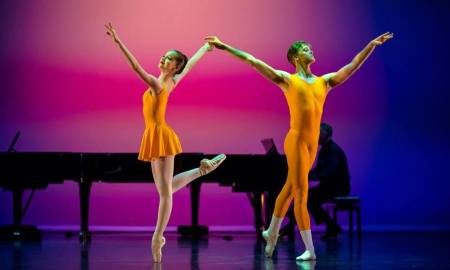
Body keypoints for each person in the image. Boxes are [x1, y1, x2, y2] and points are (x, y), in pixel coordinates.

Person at [206, 32, 393, 260]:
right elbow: (253, 62)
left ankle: (272, 231)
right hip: (295, 140)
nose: (310, 50)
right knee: (301, 193)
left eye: (311, 47)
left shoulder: (325, 81)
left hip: (312, 143)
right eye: (305, 48)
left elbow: (352, 66)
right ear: (295, 57)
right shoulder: (287, 80)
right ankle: (310, 250)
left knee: (291, 187)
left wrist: (370, 45)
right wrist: (225, 46)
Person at [105, 23, 226, 263]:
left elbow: (135, 67)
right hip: (154, 135)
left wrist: (119, 43)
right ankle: (202, 170)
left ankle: (157, 236)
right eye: (164, 56)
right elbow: (190, 66)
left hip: (160, 135)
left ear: (175, 66)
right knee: (165, 189)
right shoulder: (170, 83)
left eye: (170, 59)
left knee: (165, 194)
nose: (164, 59)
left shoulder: (160, 85)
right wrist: (205, 47)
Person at [280, 123, 351, 240]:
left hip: (338, 188)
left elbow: (329, 172)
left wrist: (308, 177)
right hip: (329, 187)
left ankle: (291, 227)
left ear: (325, 134)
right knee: (305, 198)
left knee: (307, 198)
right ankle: (331, 226)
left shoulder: (333, 150)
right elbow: (319, 170)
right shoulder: (325, 149)